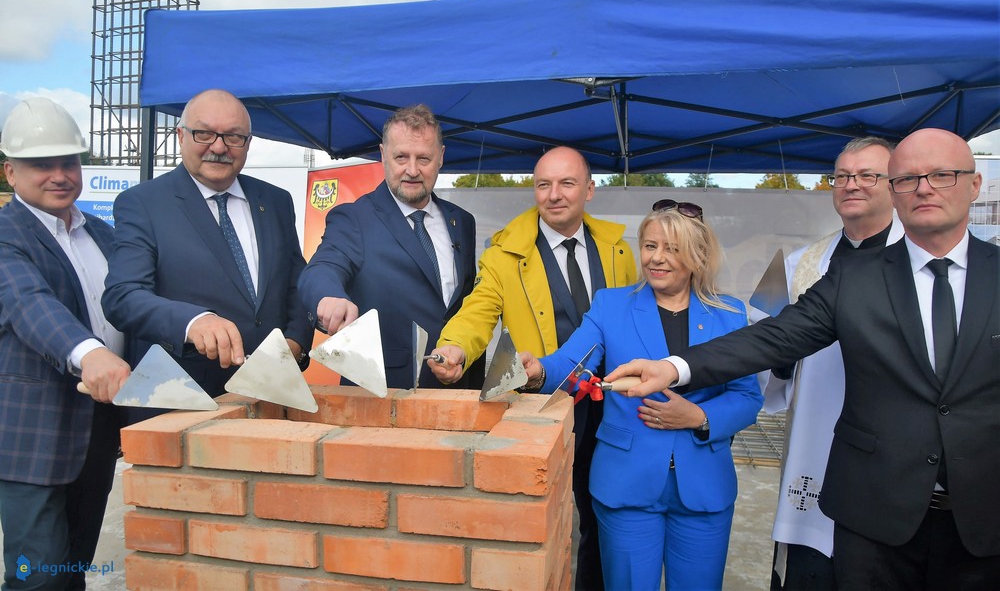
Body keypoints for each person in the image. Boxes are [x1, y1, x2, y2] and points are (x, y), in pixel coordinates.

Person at [609, 128, 999, 588]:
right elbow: (770, 337)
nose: (925, 188)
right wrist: (675, 367)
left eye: (942, 175)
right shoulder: (842, 272)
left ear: (974, 185)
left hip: (983, 518)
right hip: (876, 511)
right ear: (896, 191)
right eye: (909, 178)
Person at [520, 202, 763, 590]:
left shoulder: (729, 314)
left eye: (672, 248)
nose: (657, 259)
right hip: (626, 485)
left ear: (698, 254)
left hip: (703, 489)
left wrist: (699, 418)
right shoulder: (610, 305)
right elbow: (573, 360)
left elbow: (747, 397)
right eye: (650, 246)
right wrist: (538, 373)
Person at [429, 146, 637, 591]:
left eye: (567, 183)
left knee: (607, 514)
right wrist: (455, 346)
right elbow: (478, 311)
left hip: (612, 405)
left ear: (590, 189)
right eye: (544, 184)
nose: (554, 195)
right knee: (546, 519)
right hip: (542, 407)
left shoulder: (617, 250)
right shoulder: (504, 254)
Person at [102, 89, 312, 399]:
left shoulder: (276, 201)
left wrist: (295, 342)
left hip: (270, 393)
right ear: (180, 136)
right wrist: (193, 321)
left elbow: (296, 283)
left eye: (233, 136)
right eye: (204, 133)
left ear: (248, 143)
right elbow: (123, 297)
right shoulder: (143, 204)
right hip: (181, 397)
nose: (218, 147)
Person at [761, 136, 903, 590]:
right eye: (842, 176)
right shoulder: (800, 264)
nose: (851, 185)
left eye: (867, 175)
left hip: (896, 456)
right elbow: (761, 343)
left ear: (896, 183)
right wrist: (782, 362)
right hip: (816, 445)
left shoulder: (921, 262)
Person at [0, 98, 130, 589]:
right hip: (31, 441)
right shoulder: (6, 234)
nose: (59, 175)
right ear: (11, 171)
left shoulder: (104, 235)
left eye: (69, 162)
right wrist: (89, 352)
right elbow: (29, 303)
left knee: (71, 569)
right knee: (37, 579)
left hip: (97, 433)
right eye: (41, 165)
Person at [297, 104, 484, 390]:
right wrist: (328, 298)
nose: (412, 170)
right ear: (383, 155)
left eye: (423, 158)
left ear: (441, 158)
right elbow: (322, 267)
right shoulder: (354, 218)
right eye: (401, 157)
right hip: (383, 394)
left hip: (460, 389)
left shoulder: (462, 221)